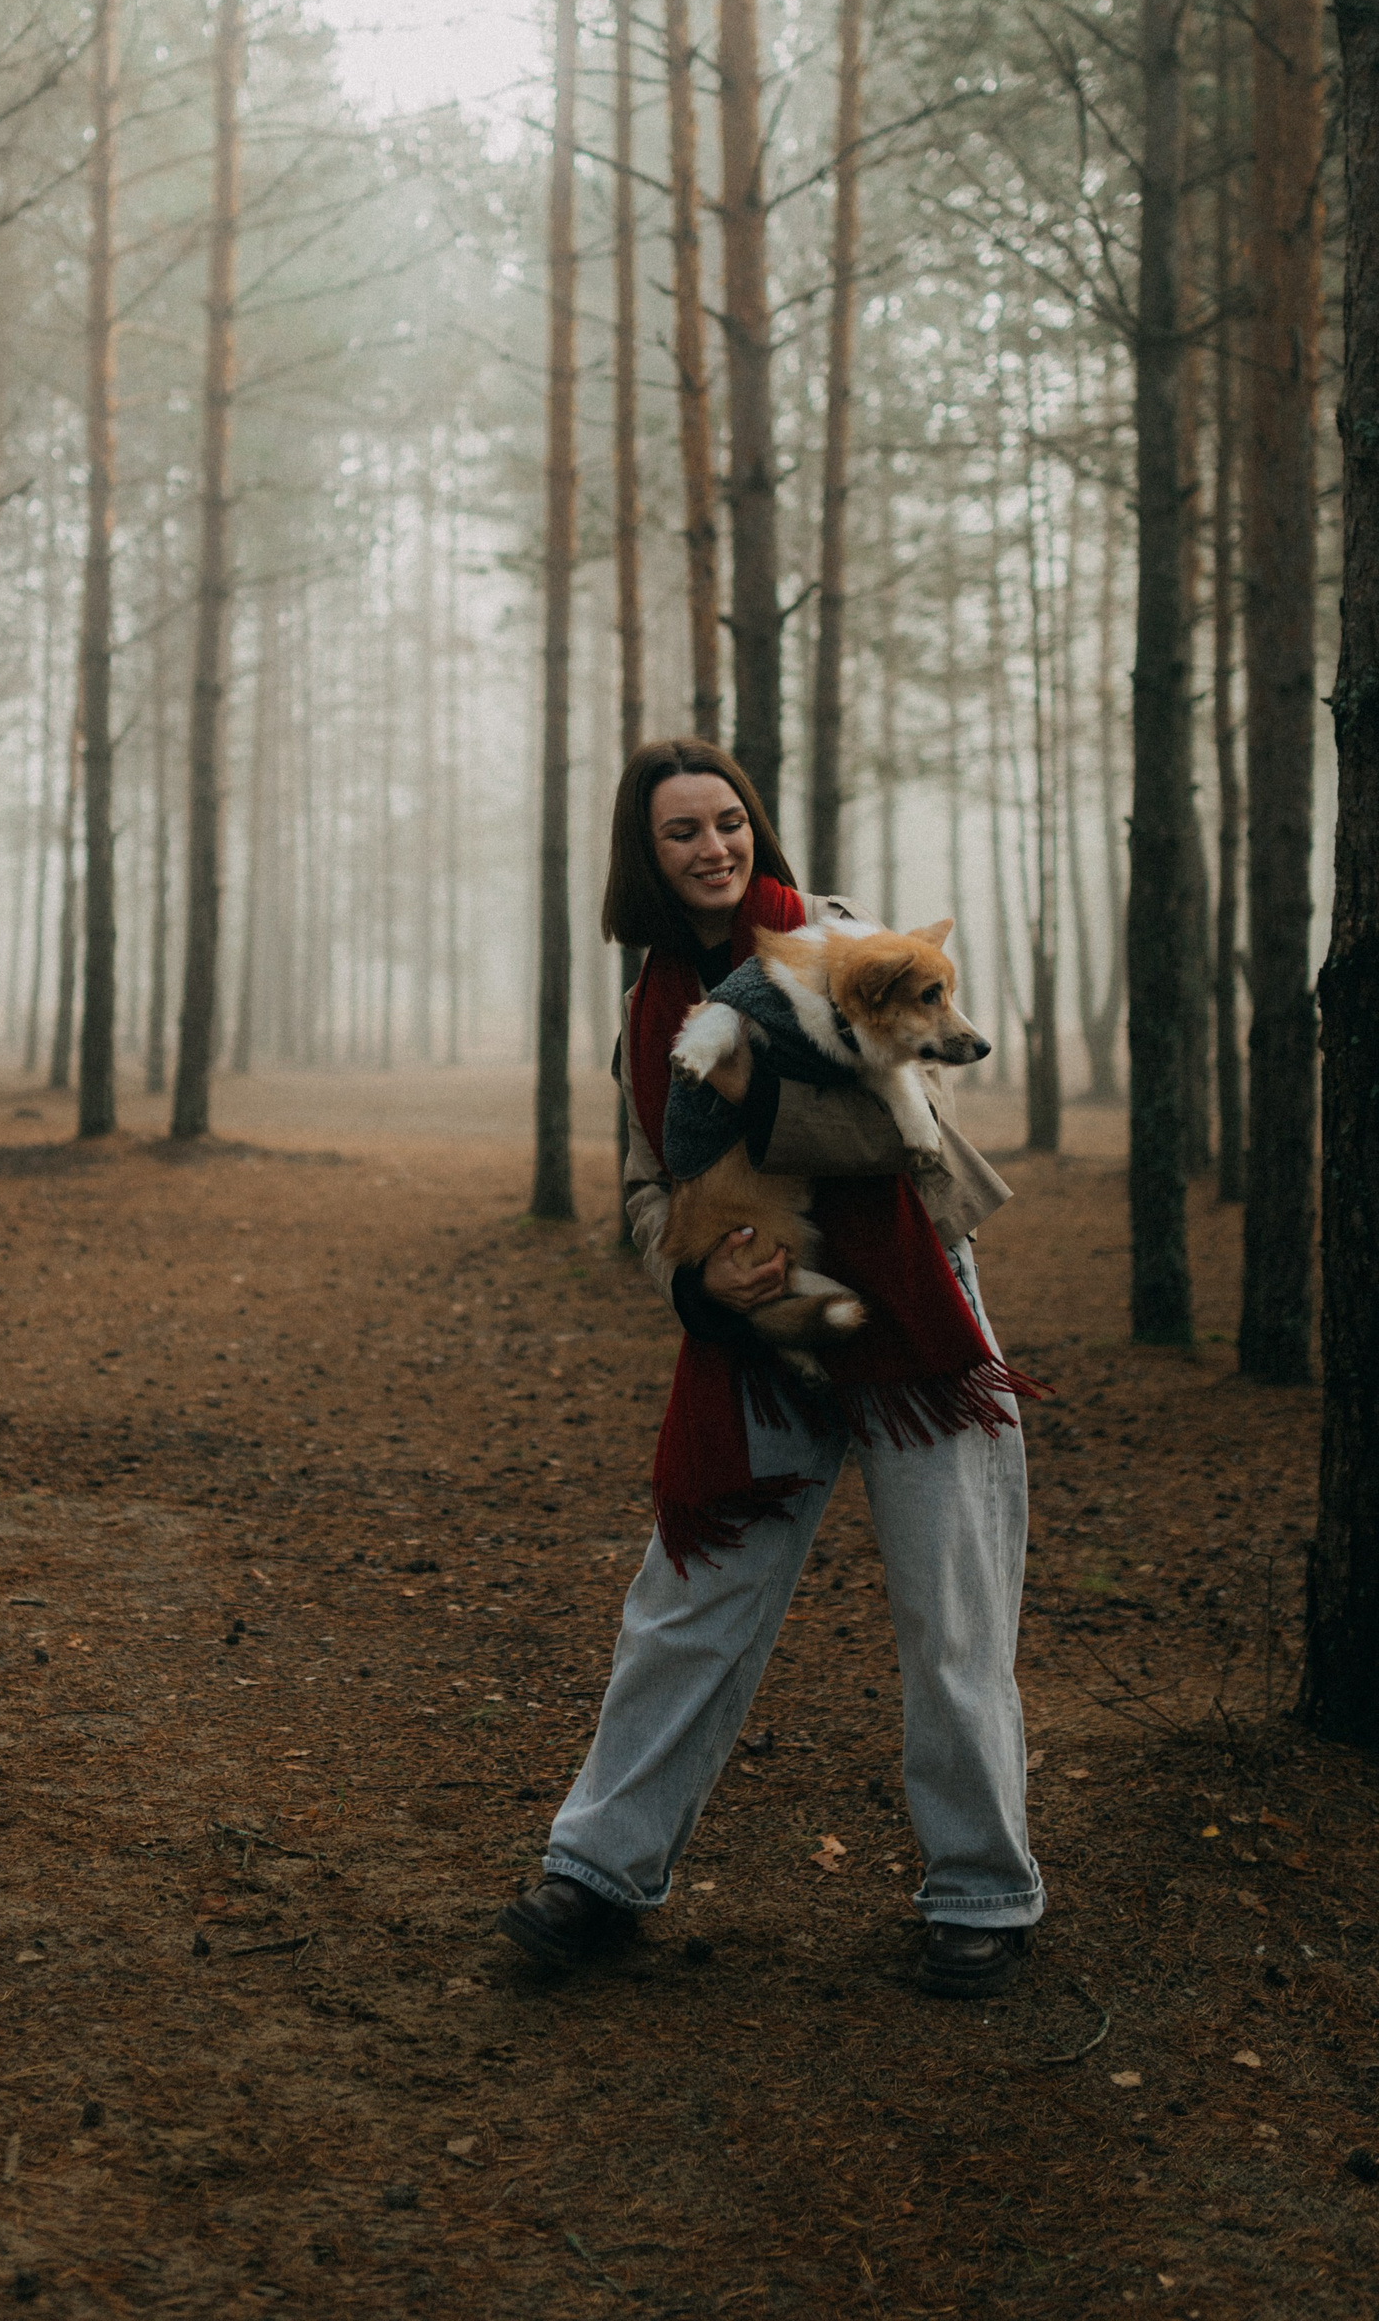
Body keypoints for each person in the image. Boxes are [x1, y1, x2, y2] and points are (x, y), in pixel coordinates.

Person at [495, 737, 1045, 2000]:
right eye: (683, 830)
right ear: (645, 856)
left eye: (729, 820)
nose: (714, 847)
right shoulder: (648, 1006)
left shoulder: (835, 940)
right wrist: (701, 1286)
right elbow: (652, 1187)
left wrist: (750, 1091)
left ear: (757, 827)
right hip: (765, 1330)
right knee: (687, 1601)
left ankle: (981, 1891)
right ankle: (598, 1872)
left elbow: (908, 1126)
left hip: (910, 1313)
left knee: (951, 1611)